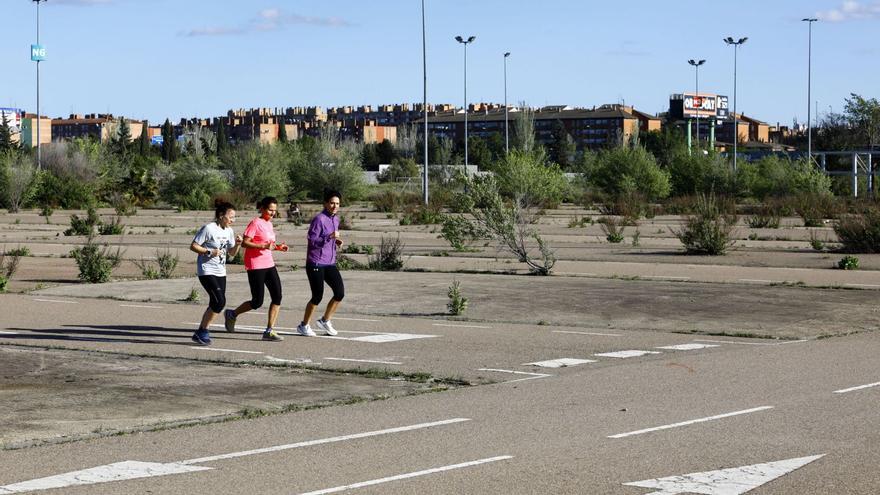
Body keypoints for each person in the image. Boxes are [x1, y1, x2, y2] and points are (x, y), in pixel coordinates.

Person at [224, 196, 289, 342]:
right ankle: (232, 314)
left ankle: (269, 330)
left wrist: (278, 247)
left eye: (274, 211)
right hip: (255, 265)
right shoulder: (255, 223)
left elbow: (268, 244)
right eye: (270, 210)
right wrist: (264, 246)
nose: (272, 213)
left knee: (277, 296)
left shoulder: (269, 224)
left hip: (269, 264)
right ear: (262, 208)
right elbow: (246, 243)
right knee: (257, 302)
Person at [190, 200, 242, 346]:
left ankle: (201, 332)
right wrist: (209, 251)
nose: (233, 220)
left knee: (216, 302)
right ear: (220, 215)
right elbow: (194, 246)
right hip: (207, 270)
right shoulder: (208, 228)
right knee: (220, 301)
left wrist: (238, 245)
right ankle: (202, 331)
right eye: (230, 217)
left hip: (221, 271)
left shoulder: (229, 231)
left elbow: (231, 253)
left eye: (234, 217)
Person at [297, 190, 345, 337]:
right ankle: (304, 325)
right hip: (316, 263)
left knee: (339, 293)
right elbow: (312, 241)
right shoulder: (319, 219)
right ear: (325, 203)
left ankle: (325, 320)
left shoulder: (335, 219)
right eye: (331, 203)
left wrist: (336, 240)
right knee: (317, 296)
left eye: (337, 203)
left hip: (330, 262)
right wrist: (329, 236)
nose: (334, 206)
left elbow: (329, 238)